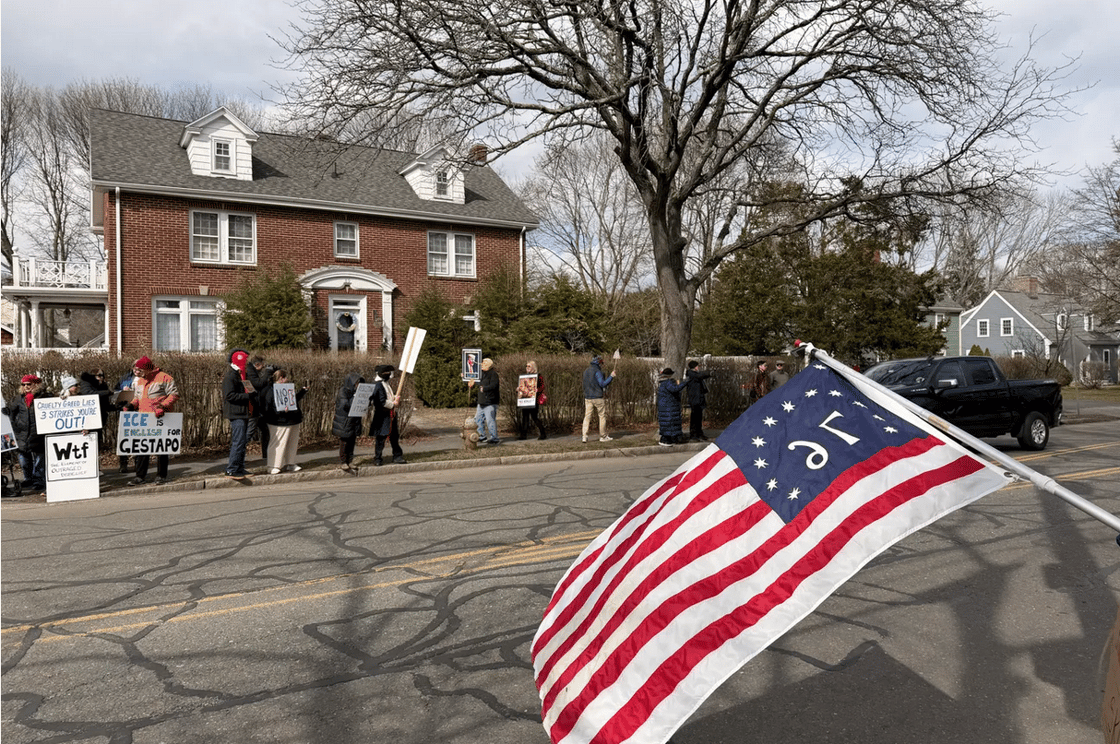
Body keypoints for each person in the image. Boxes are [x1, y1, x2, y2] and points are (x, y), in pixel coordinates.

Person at [122, 356, 179, 486]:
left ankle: (161, 475)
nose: (137, 372)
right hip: (144, 418)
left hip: (161, 417)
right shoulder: (140, 381)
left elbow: (174, 394)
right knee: (142, 449)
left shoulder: (165, 378)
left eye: (140, 370)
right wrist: (131, 405)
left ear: (147, 369)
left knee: (161, 448)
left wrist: (163, 406)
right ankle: (140, 476)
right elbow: (138, 398)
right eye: (136, 370)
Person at [3, 374, 50, 491]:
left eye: (28, 384)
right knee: (24, 460)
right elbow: (11, 411)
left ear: (35, 384)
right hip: (22, 435)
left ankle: (39, 480)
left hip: (38, 434)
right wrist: (7, 412)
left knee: (39, 460)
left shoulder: (43, 397)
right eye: (23, 384)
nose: (26, 387)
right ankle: (28, 478)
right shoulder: (18, 399)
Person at [260, 368, 307, 474]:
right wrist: (280, 411)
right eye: (285, 378)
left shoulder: (285, 388)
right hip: (278, 421)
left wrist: (302, 392)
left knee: (291, 443)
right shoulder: (270, 390)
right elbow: (268, 407)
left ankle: (290, 463)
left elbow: (292, 400)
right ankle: (273, 465)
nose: (287, 380)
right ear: (281, 378)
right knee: (277, 443)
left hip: (292, 419)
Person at [222, 349, 256, 479]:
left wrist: (252, 393)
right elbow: (229, 395)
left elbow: (249, 390)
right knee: (238, 441)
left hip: (243, 413)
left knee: (242, 442)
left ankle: (239, 468)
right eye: (245, 361)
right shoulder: (231, 377)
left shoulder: (241, 375)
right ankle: (232, 469)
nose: (247, 364)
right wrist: (247, 396)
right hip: (236, 414)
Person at [370, 364, 406, 465]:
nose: (389, 375)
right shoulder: (378, 385)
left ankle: (397, 456)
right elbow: (381, 401)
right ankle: (377, 458)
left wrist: (394, 398)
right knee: (381, 438)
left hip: (390, 415)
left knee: (394, 436)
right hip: (382, 416)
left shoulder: (385, 384)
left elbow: (387, 397)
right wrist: (393, 404)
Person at [332, 371, 365, 471]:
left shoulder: (356, 392)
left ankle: (350, 460)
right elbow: (345, 405)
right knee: (345, 442)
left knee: (352, 441)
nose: (358, 385)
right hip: (345, 421)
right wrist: (355, 398)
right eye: (356, 383)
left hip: (354, 421)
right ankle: (343, 462)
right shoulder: (343, 391)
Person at [582, 355, 616, 443]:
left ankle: (584, 436)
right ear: (599, 363)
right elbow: (602, 384)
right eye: (602, 363)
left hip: (587, 397)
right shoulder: (597, 371)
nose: (602, 365)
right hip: (597, 397)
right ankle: (603, 436)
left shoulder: (586, 371)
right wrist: (611, 376)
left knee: (587, 417)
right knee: (602, 416)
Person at [468, 357, 500, 445]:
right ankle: (482, 436)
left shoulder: (493, 374)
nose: (482, 364)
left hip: (490, 401)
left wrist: (484, 388)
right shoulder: (481, 374)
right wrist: (468, 380)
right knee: (478, 419)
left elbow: (494, 385)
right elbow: (476, 381)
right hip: (481, 401)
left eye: (484, 364)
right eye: (482, 363)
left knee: (490, 420)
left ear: (489, 366)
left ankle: (494, 438)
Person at [246, 355, 272, 463]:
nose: (263, 367)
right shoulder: (251, 372)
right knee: (249, 432)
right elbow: (259, 384)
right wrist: (268, 372)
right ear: (257, 364)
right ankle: (237, 455)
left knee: (265, 431)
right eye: (262, 364)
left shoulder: (252, 372)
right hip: (253, 408)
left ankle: (266, 455)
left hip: (258, 407)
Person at [656, 368, 689, 446]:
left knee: (668, 423)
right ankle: (665, 440)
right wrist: (684, 382)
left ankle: (671, 438)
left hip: (666, 406)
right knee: (670, 423)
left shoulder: (662, 383)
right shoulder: (668, 382)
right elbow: (675, 389)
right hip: (669, 407)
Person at [517, 360, 547, 441]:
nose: (527, 368)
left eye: (529, 366)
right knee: (525, 417)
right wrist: (519, 389)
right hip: (525, 399)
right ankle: (523, 435)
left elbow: (542, 387)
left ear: (533, 367)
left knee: (534, 417)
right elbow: (523, 387)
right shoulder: (524, 376)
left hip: (534, 399)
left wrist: (537, 390)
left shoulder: (538, 376)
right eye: (526, 366)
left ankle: (543, 433)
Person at [685, 359, 712, 441]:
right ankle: (694, 434)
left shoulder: (694, 374)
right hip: (695, 400)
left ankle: (699, 433)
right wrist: (710, 372)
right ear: (695, 367)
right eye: (697, 366)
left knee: (698, 418)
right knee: (695, 418)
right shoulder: (692, 374)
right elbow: (701, 375)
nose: (698, 368)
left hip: (698, 399)